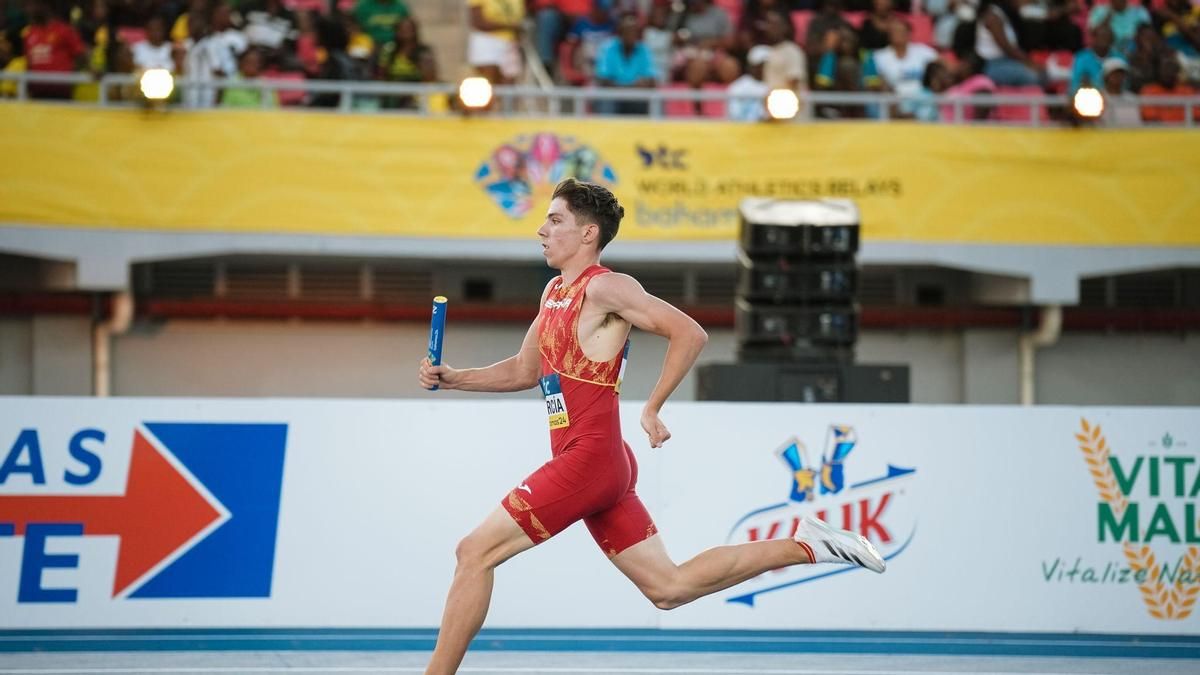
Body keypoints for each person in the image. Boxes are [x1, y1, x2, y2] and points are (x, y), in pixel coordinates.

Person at [416, 178, 886, 675]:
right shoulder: (554, 292)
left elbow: (689, 332)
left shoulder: (606, 286)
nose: (542, 230)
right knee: (670, 588)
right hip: (598, 463)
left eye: (555, 221)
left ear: (588, 234)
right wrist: (454, 379)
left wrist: (652, 407)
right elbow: (523, 371)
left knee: (474, 552)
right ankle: (810, 544)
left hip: (590, 458)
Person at [594, 12, 658, 115]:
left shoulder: (644, 50)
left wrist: (629, 87)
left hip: (636, 97)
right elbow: (604, 81)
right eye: (628, 32)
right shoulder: (607, 48)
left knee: (651, 102)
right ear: (620, 34)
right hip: (613, 96)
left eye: (634, 32)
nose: (631, 35)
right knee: (606, 102)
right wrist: (631, 87)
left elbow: (651, 80)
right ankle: (607, 130)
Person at [727, 43, 770, 120]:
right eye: (760, 65)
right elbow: (734, 115)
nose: (763, 68)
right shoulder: (738, 87)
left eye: (767, 64)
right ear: (751, 65)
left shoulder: (777, 85)